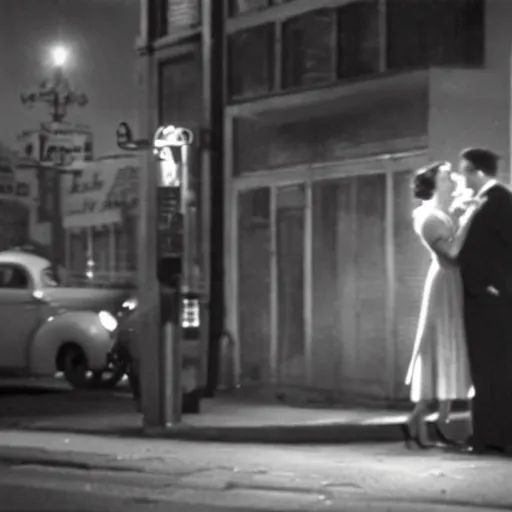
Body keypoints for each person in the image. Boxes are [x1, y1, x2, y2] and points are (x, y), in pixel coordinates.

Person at [403, 161, 485, 448]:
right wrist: (470, 215)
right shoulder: (427, 217)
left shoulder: (439, 214)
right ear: (434, 183)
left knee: (450, 347)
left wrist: (463, 213)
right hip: (444, 284)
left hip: (451, 283)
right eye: (446, 176)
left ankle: (438, 424)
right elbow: (451, 252)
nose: (452, 180)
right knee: (441, 345)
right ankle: (418, 421)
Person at [457, 147, 512, 455]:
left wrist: (494, 287)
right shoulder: (490, 201)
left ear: (478, 172)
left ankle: (492, 436)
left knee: (491, 367)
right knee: (490, 368)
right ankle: (492, 434)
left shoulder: (498, 201)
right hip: (486, 297)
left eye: (465, 171)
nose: (461, 177)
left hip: (490, 300)